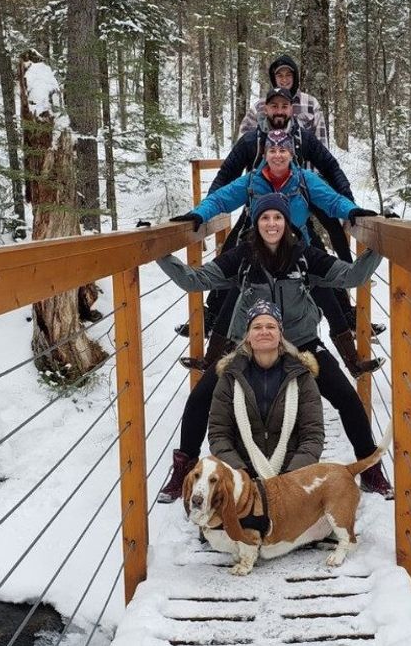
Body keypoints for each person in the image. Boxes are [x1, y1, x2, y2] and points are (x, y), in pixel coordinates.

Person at [157, 192, 394, 500]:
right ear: (256, 223)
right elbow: (194, 280)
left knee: (346, 396)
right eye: (265, 218)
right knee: (201, 397)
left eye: (278, 217)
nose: (272, 224)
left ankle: (370, 470)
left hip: (302, 343)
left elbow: (353, 276)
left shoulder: (304, 256)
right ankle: (183, 470)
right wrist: (160, 252)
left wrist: (381, 242)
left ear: (286, 222)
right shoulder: (242, 257)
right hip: (249, 344)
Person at [172, 130, 381, 377]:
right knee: (232, 301)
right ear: (265, 153)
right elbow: (220, 200)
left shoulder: (304, 180)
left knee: (328, 298)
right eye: (272, 150)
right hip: (258, 252)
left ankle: (353, 363)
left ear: (291, 154)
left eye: (283, 150)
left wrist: (352, 211)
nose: (278, 155)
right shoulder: (252, 181)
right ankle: (211, 364)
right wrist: (199, 214)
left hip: (297, 252)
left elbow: (333, 201)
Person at [210, 300, 324, 478]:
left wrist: (291, 476)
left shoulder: (301, 376)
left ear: (280, 335)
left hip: (292, 476)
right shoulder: (230, 376)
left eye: (271, 326)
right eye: (257, 327)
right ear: (248, 336)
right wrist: (240, 473)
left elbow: (313, 434)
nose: (264, 331)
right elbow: (219, 434)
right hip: (242, 476)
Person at [238, 55, 328, 145]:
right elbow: (242, 143)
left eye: (288, 75)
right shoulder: (259, 106)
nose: (284, 79)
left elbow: (322, 143)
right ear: (274, 78)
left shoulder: (311, 104)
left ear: (295, 77)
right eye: (279, 75)